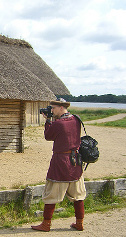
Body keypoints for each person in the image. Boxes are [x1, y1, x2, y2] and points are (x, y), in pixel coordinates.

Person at [31, 98, 86, 232]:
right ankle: (80, 223)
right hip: (75, 162)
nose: (52, 110)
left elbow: (48, 136)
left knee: (51, 193)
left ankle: (46, 224)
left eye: (53, 108)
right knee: (77, 194)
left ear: (61, 108)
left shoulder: (59, 123)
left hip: (61, 161)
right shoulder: (76, 119)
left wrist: (48, 121)